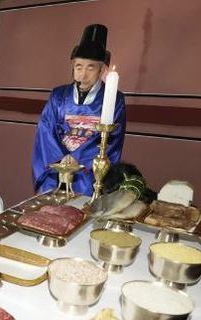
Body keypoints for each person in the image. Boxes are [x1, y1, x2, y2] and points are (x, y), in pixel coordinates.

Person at [32, 24, 126, 196]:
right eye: (78, 66)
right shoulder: (58, 96)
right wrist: (62, 160)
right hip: (58, 168)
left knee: (86, 206)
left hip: (89, 173)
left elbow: (112, 139)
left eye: (90, 67)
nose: (83, 74)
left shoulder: (114, 99)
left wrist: (78, 158)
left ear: (102, 69)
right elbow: (45, 132)